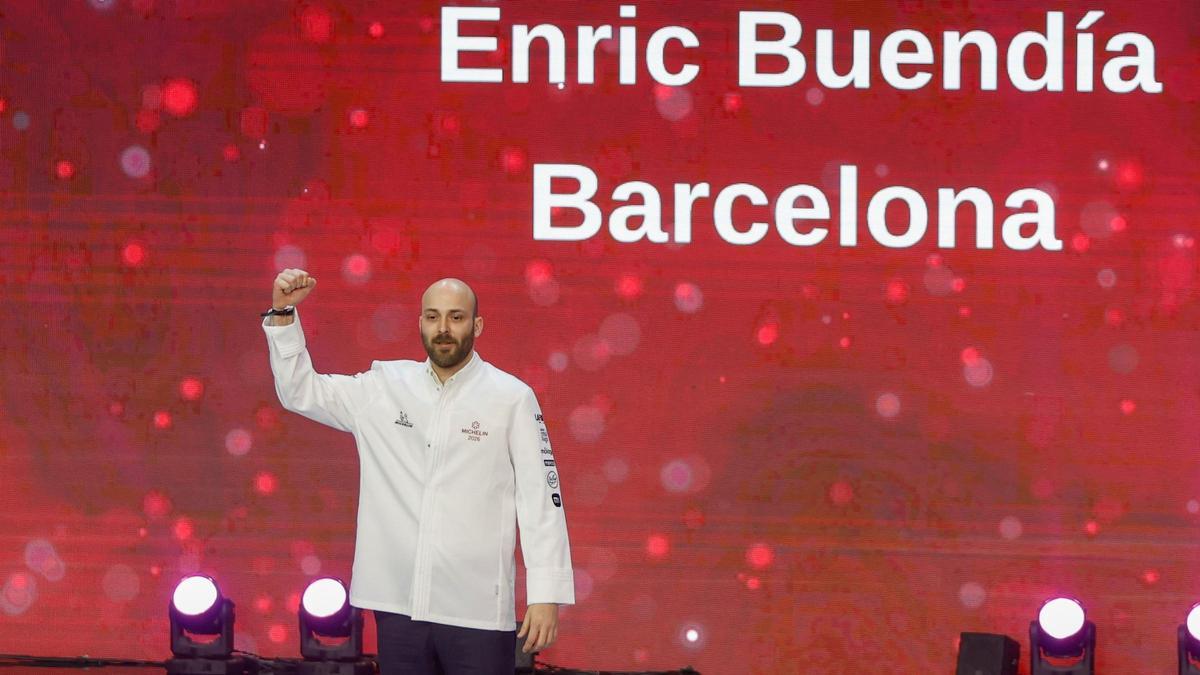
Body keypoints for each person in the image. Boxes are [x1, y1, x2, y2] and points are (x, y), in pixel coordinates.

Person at [261, 269, 574, 675]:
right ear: (420, 322)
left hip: (477, 608)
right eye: (432, 316)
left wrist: (545, 594)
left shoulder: (511, 397)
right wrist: (283, 313)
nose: (443, 328)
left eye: (456, 317)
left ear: (476, 325)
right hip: (397, 605)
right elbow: (300, 391)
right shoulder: (383, 387)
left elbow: (541, 499)